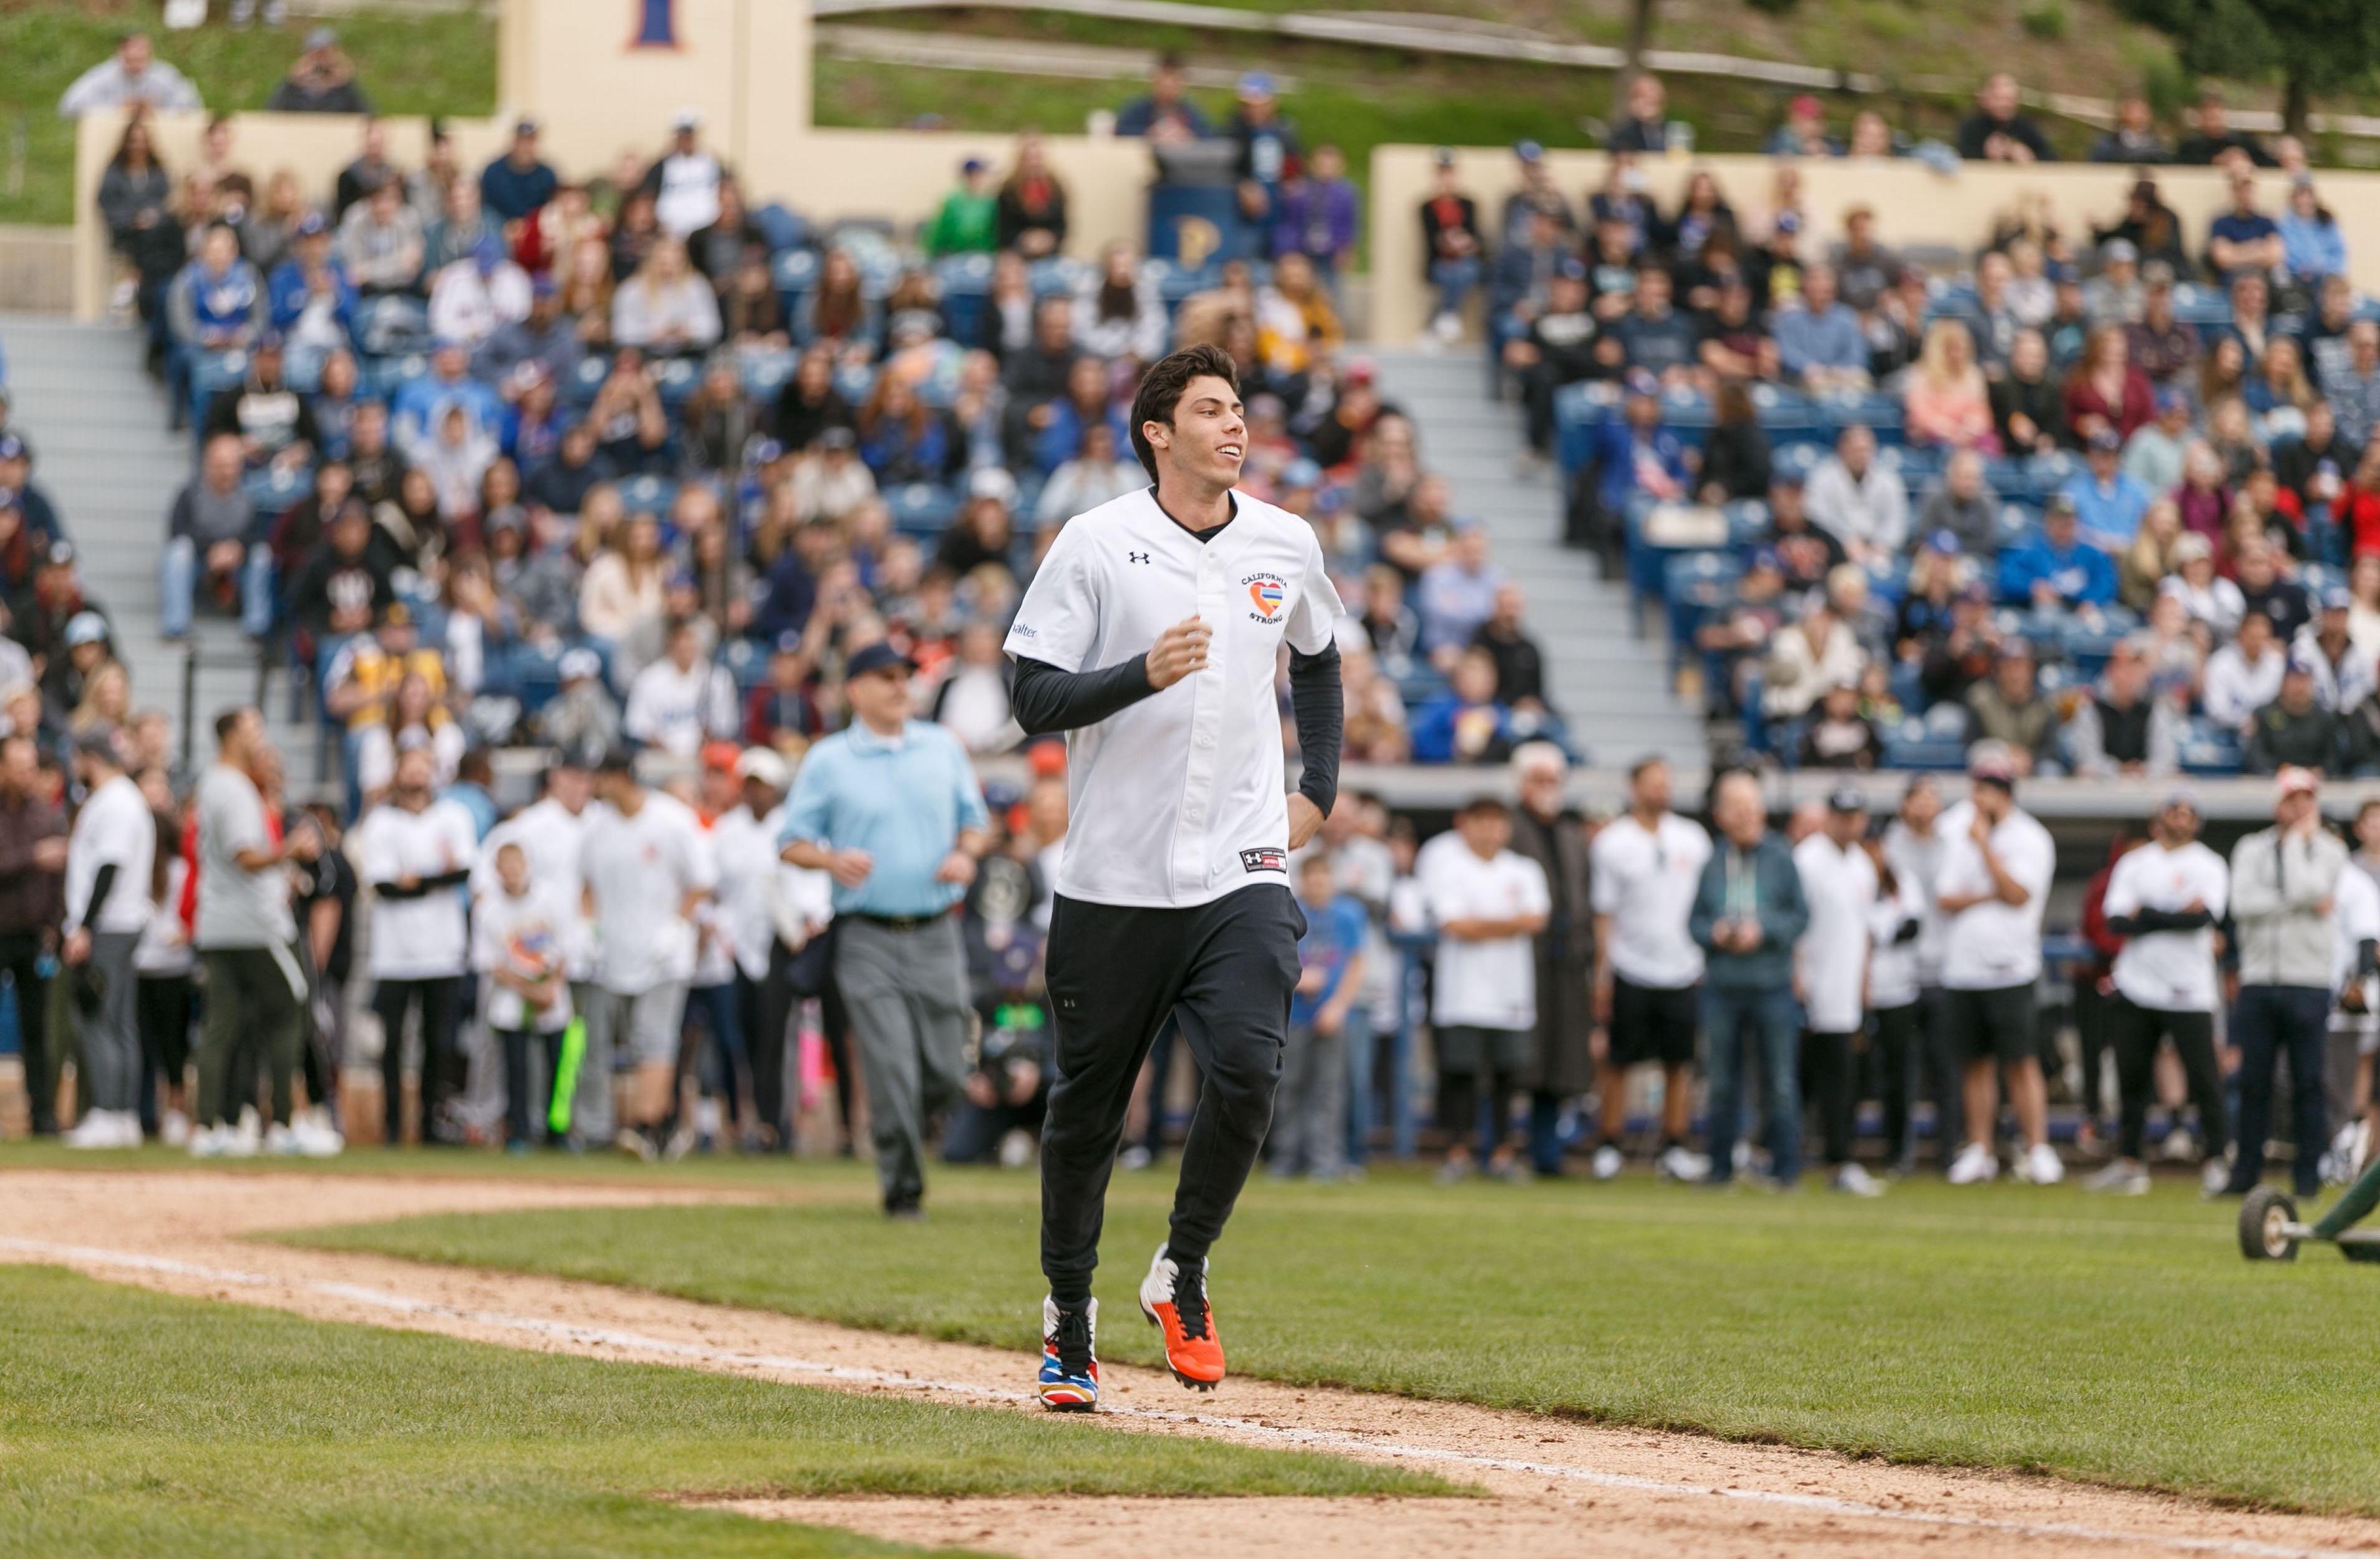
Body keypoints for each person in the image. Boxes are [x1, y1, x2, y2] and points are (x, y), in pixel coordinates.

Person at [1000, 343, 1343, 1411]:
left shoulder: (1286, 539)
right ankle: (1068, 1317)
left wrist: (1317, 788)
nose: (1234, 424)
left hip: (1241, 863)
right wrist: (1133, 674)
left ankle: (1182, 1267)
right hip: (1114, 875)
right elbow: (1031, 693)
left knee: (1247, 1068)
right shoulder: (1097, 542)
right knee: (1087, 1111)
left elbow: (1322, 655)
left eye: (1239, 407)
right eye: (1210, 409)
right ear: (1158, 431)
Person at [780, 638, 987, 1202]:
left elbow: (976, 823)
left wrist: (966, 853)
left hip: (936, 930)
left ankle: (899, 1128)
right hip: (865, 935)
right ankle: (903, 1189)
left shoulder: (943, 747)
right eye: (886, 677)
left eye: (905, 676)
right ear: (854, 690)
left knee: (948, 1070)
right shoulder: (828, 759)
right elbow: (790, 842)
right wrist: (829, 858)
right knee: (890, 1064)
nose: (901, 686)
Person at [189, 709, 319, 1157]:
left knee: (220, 1024)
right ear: (232, 735)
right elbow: (245, 856)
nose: (261, 736)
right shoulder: (235, 787)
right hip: (256, 925)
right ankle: (283, 1123)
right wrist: (291, 851)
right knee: (290, 1009)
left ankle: (209, 1126)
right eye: (254, 728)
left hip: (218, 923)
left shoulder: (215, 783)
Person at [2089, 789, 2231, 1197]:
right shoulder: (2136, 862)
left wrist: (2147, 913)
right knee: (2132, 1079)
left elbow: (2205, 917)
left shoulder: (2209, 863)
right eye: (2174, 811)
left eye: (2189, 812)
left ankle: (2217, 1160)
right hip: (2136, 985)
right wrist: (2174, 913)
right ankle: (2130, 1161)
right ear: (2158, 819)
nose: (2181, 818)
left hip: (2189, 988)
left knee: (2205, 1078)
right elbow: (2116, 921)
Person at [581, 749, 715, 1160]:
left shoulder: (671, 819)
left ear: (620, 775)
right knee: (608, 1041)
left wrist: (677, 928)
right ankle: (641, 1124)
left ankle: (646, 1125)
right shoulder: (597, 827)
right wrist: (590, 932)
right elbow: (587, 887)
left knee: (652, 1038)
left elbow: (702, 879)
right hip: (614, 955)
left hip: (663, 955)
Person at [1937, 746, 2061, 1186]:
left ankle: (2039, 1147)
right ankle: (1980, 1149)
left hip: (2012, 967)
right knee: (1975, 1062)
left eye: (1989, 788)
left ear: (2006, 792)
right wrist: (1987, 889)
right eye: (1977, 786)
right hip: (1963, 967)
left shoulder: (2031, 837)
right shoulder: (1954, 827)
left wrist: (1985, 847)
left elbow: (2017, 894)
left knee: (2021, 1062)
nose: (1980, 795)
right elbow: (1945, 897)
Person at [2225, 765, 2347, 1200]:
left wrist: (2297, 843)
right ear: (2277, 803)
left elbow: (2307, 887)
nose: (2298, 808)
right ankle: (2245, 1174)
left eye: (2306, 799)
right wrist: (2298, 903)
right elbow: (2241, 904)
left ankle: (2308, 1177)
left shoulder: (2330, 849)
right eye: (2291, 799)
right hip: (2259, 980)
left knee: (2308, 1082)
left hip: (2308, 980)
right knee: (2253, 1081)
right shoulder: (2251, 847)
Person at [1587, 756, 1710, 1181]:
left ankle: (1674, 1144)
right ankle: (1610, 1142)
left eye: (1666, 781)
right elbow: (1605, 913)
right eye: (1653, 782)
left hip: (1682, 966)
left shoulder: (1692, 838)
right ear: (1634, 787)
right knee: (1618, 1061)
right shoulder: (1613, 842)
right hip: (1630, 964)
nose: (1662, 789)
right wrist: (1603, 973)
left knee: (1679, 1062)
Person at [1420, 795, 1550, 1184]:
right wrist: (1507, 925)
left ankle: (1502, 1154)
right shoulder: (1450, 868)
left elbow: (1537, 919)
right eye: (1483, 822)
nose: (1491, 831)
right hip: (1461, 993)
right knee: (1459, 1075)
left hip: (1511, 993)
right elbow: (1455, 924)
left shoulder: (1523, 870)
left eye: (1497, 823)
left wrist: (1483, 926)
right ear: (1466, 824)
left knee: (1508, 1078)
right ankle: (1457, 1153)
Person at [1692, 770, 1809, 1188]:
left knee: (1780, 1080)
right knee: (1721, 1082)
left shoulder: (1781, 857)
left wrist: (1765, 930)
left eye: (1751, 807)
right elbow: (1694, 922)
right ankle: (1719, 1167)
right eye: (1736, 808)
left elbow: (1800, 916)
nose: (1745, 816)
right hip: (1723, 986)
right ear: (1721, 814)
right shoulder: (1712, 860)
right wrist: (1717, 934)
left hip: (1771, 984)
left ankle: (1785, 1168)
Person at [357, 744, 478, 1147]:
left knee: (436, 1042)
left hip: (442, 950)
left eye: (423, 766)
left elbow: (463, 870)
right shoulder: (382, 822)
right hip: (393, 955)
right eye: (409, 766)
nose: (416, 775)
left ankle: (429, 1127)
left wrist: (417, 881)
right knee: (391, 1043)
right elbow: (384, 885)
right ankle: (392, 1127)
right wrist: (432, 879)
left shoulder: (453, 816)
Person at [55, 730, 153, 1150]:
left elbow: (109, 867)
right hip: (124, 923)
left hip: (109, 925)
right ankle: (124, 1115)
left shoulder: (114, 802)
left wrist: (85, 927)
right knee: (120, 1022)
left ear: (89, 757)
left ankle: (110, 1113)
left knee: (97, 1020)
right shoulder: (126, 797)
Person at [1507, 744, 1594, 1178]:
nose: (1548, 789)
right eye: (1540, 779)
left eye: (1554, 780)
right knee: (1514, 1060)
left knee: (1559, 1064)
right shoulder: (1508, 828)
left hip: (1566, 964)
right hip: (1521, 961)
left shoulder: (1571, 834)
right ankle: (1501, 1148)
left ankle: (1547, 1153)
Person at [1795, 786, 1884, 1197]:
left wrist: (1864, 982)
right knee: (1802, 1079)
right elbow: (1798, 927)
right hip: (1813, 988)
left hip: (1847, 991)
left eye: (1856, 815)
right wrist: (1799, 977)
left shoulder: (1863, 863)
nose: (1850, 823)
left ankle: (1840, 1158)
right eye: (1843, 815)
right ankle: (1792, 1155)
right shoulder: (1808, 859)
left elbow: (1865, 930)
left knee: (1843, 1081)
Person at [473, 839, 573, 1152]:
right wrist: (531, 989)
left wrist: (550, 987)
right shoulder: (488, 910)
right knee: (517, 1070)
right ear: (497, 871)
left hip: (552, 998)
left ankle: (558, 1132)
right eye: (507, 867)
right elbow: (490, 964)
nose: (513, 873)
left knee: (559, 1067)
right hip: (511, 1001)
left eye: (518, 865)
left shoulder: (550, 898)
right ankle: (519, 1130)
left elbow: (567, 946)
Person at [1272, 851, 1365, 1180]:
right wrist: (1299, 979)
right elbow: (1273, 959)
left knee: (1330, 1090)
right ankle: (1286, 1159)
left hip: (1332, 1017)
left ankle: (1325, 1161)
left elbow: (1356, 963)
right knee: (1289, 1087)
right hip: (1292, 1017)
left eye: (1324, 878)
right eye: (1312, 878)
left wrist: (1338, 1006)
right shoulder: (1288, 911)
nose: (1318, 884)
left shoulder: (1349, 915)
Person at [59, 31, 201, 117]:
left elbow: (193, 104)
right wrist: (117, 110)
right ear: (119, 55)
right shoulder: (103, 76)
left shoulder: (165, 75)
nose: (136, 66)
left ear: (150, 55)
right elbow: (70, 105)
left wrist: (157, 112)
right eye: (130, 60)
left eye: (141, 60)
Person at [266, 27, 372, 114]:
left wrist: (346, 83)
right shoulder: (295, 89)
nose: (321, 60)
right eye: (316, 54)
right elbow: (272, 112)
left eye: (325, 54)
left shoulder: (344, 89)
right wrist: (292, 82)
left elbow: (367, 113)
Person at [1957, 72, 2054, 163]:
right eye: (1998, 99)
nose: (2004, 105)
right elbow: (1960, 158)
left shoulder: (2026, 125)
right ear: (1985, 100)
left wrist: (2030, 156)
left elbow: (2052, 158)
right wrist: (1985, 155)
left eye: (2009, 99)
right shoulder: (1972, 126)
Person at [1115, 51, 1213, 141]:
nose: (1168, 89)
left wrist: (1186, 134)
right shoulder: (1139, 108)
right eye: (1164, 85)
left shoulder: (1190, 110)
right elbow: (1121, 130)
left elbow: (1209, 134)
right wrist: (1149, 133)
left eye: (1174, 84)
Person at [478, 117, 558, 225]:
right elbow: (485, 208)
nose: (525, 148)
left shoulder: (547, 175)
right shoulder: (494, 172)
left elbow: (551, 210)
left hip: (535, 231)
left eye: (530, 142)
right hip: (498, 229)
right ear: (513, 142)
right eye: (521, 142)